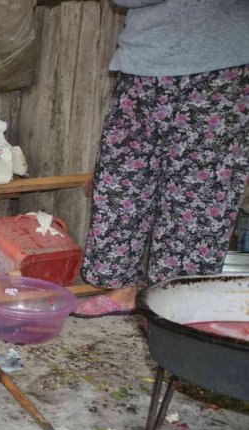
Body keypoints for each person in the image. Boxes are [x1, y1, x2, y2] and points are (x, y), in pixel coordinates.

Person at [74, 0, 249, 317]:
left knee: (199, 196)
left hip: (223, 69)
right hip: (143, 63)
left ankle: (173, 306)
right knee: (122, 186)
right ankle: (123, 289)